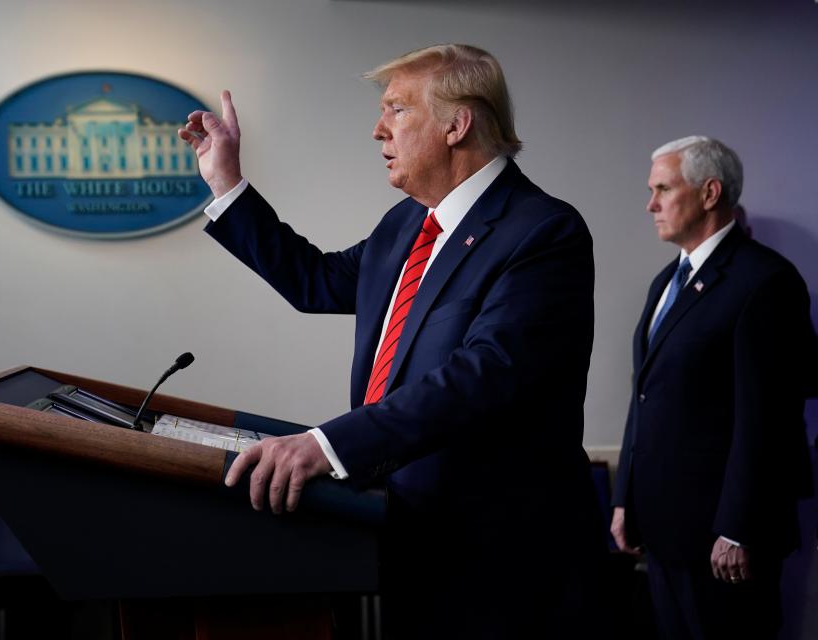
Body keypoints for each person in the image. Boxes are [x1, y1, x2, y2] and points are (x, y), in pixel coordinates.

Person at [180, 44, 608, 638]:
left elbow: (483, 374)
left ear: (457, 124)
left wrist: (326, 446)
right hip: (408, 535)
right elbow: (314, 281)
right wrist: (226, 181)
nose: (379, 129)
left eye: (397, 110)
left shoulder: (542, 232)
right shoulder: (407, 223)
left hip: (507, 563)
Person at [611, 136, 815, 639]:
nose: (650, 204)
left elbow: (768, 418)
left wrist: (737, 528)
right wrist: (625, 500)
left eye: (662, 189)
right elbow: (646, 397)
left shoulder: (766, 281)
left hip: (723, 540)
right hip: (662, 530)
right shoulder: (666, 281)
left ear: (709, 193)